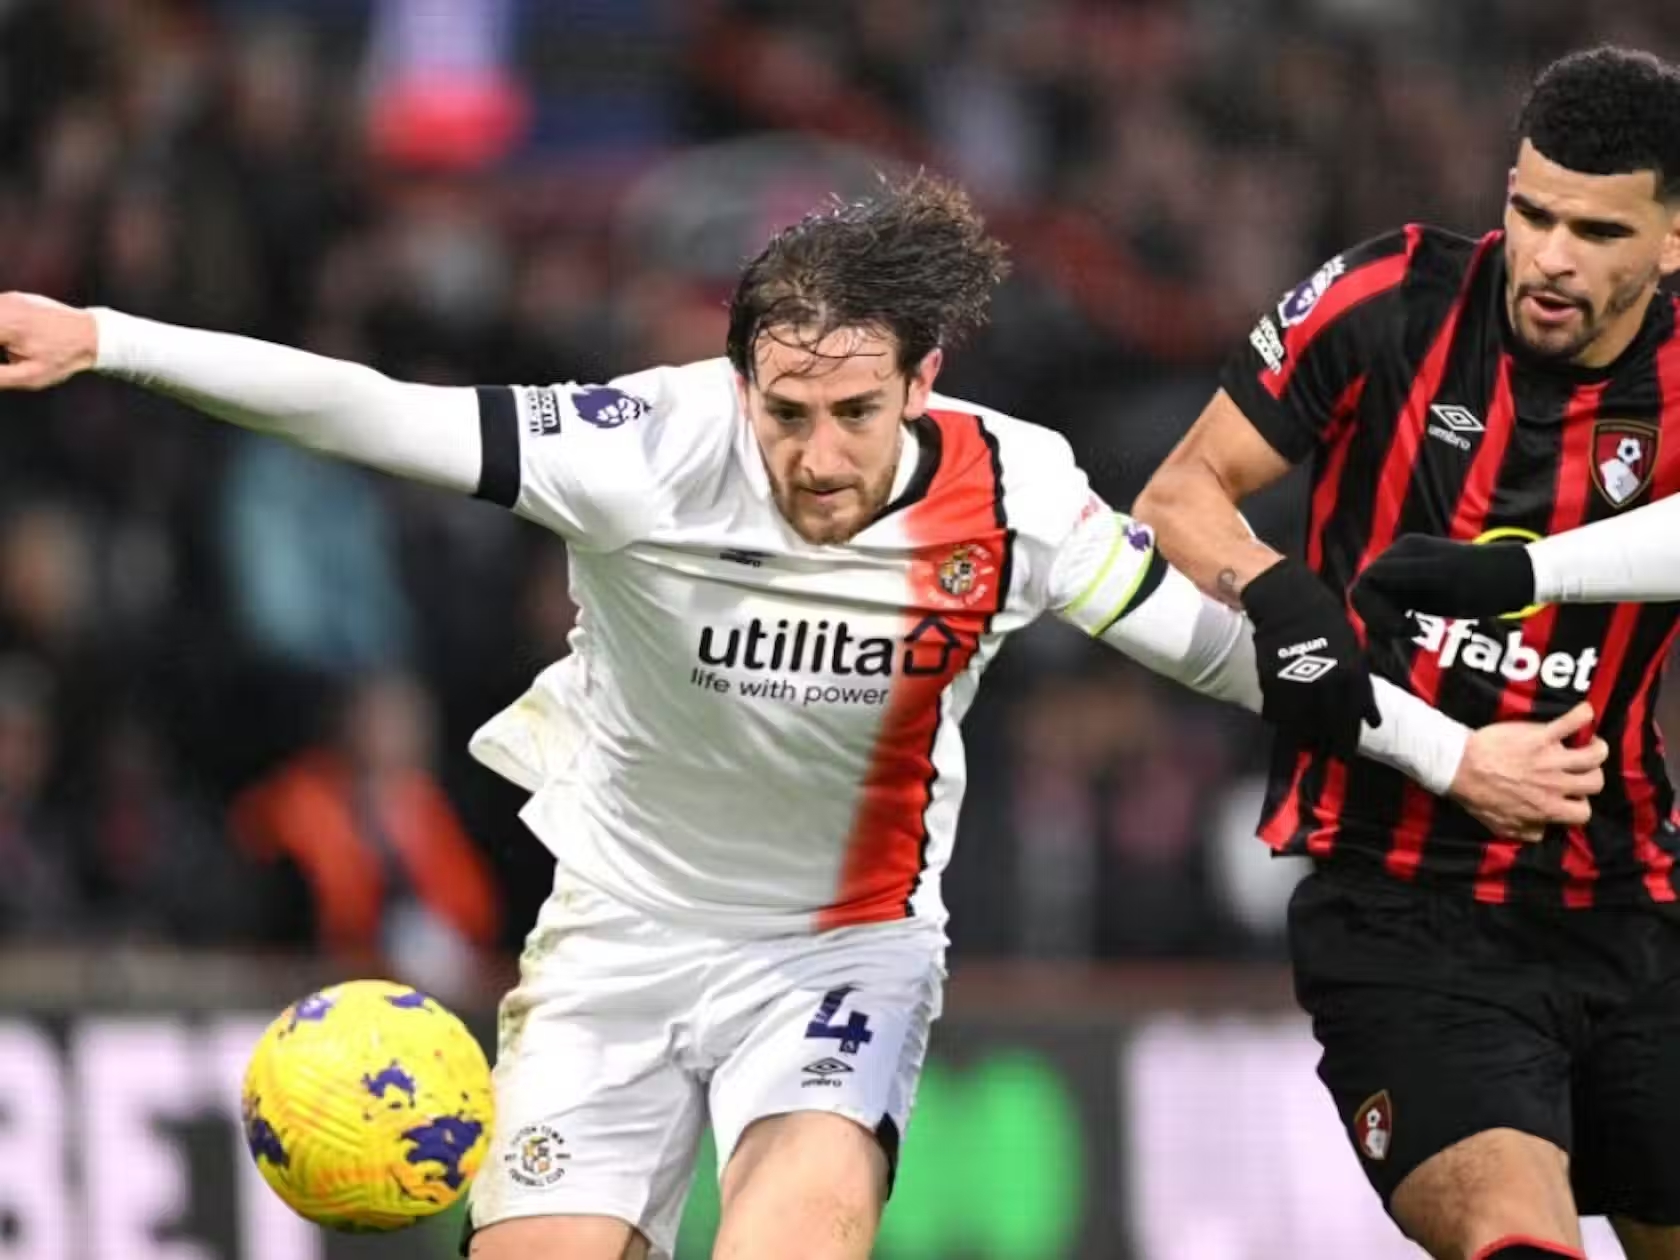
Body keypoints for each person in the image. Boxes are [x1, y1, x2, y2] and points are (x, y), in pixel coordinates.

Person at [0, 175, 1596, 1260]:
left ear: (924, 381)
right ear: (737, 377)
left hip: (839, 950)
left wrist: (1454, 754)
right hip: (616, 937)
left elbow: (1213, 646)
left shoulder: (1014, 488)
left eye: (852, 413)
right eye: (782, 411)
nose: (814, 454)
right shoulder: (643, 443)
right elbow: (380, 414)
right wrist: (108, 340)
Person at [1132, 45, 1680, 1260]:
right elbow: (1181, 495)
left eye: (1595, 230)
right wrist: (1275, 589)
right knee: (1517, 1237)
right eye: (1531, 211)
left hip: (1630, 899)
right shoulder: (1387, 298)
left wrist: (1523, 574)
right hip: (1403, 910)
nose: (1548, 255)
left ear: (1672, 243)